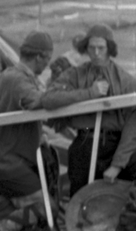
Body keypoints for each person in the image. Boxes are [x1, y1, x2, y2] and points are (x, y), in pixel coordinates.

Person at [41, 24, 136, 194]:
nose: (96, 53)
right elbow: (48, 98)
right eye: (92, 48)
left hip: (115, 144)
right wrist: (89, 93)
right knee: (79, 196)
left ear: (109, 49)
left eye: (101, 48)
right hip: (85, 142)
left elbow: (133, 125)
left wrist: (117, 164)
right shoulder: (76, 74)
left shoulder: (126, 80)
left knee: (120, 198)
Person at [0, 32, 54, 201]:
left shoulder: (9, 75)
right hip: (7, 161)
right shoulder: (19, 80)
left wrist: (40, 134)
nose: (47, 64)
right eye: (48, 59)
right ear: (38, 57)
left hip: (4, 156)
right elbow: (40, 101)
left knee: (24, 204)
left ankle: (6, 212)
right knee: (45, 205)